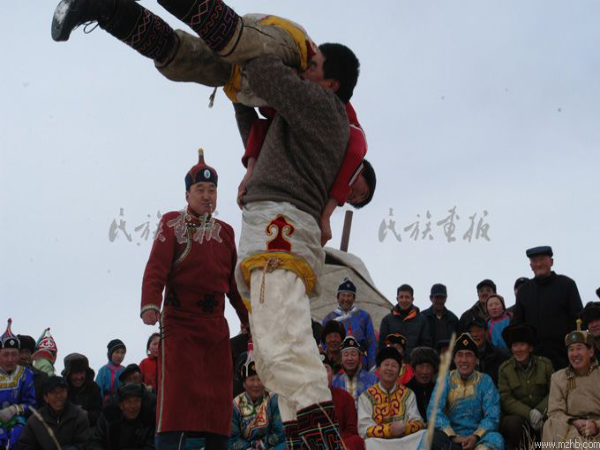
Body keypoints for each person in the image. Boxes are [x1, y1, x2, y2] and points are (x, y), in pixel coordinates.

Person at [51, 0, 375, 245]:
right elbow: (353, 156)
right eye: (359, 192)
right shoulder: (340, 125)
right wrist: (327, 213)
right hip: (283, 45)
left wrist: (251, 167)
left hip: (248, 75)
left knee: (178, 58)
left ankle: (105, 9)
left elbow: (257, 129)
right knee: (236, 41)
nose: (351, 196)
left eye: (354, 201)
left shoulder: (302, 148)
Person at [230, 33, 364, 448]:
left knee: (286, 339)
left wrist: (254, 44)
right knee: (270, 355)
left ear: (331, 84)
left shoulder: (327, 111)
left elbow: (264, 72)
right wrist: (236, 94)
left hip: (281, 234)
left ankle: (320, 438)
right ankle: (301, 436)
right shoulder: (294, 114)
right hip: (268, 228)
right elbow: (258, 126)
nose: (306, 67)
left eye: (313, 64)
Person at [140, 150, 249, 448]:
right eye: (200, 190)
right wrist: (150, 303)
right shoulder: (172, 223)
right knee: (177, 400)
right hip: (180, 326)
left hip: (215, 328)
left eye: (212, 190)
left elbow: (234, 285)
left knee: (217, 400)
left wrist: (248, 319)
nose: (206, 196)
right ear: (187, 194)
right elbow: (156, 268)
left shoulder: (225, 232)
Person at [427, 333, 504, 450]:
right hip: (450, 437)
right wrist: (453, 436)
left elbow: (493, 416)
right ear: (454, 359)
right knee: (430, 436)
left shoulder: (485, 380)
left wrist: (475, 437)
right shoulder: (445, 379)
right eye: (460, 355)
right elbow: (434, 411)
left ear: (476, 360)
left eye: (469, 355)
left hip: (478, 437)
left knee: (496, 439)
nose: (464, 360)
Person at [512, 246, 583, 370]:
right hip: (534, 362)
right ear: (531, 266)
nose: (539, 264)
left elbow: (577, 319)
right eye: (535, 261)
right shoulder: (524, 291)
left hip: (564, 357)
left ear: (551, 262)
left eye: (542, 259)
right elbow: (518, 324)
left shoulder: (567, 284)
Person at [542, 320, 600, 445]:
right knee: (550, 423)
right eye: (571, 350)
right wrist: (575, 422)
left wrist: (596, 426)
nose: (575, 354)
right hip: (571, 427)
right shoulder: (558, 377)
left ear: (590, 352)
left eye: (579, 348)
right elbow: (554, 412)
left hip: (597, 428)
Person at [358, 346, 426, 450]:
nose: (389, 368)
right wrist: (389, 430)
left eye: (394, 365)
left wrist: (405, 427)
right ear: (378, 369)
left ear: (399, 371)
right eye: (386, 364)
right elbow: (364, 429)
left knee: (425, 434)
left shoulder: (408, 394)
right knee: (368, 443)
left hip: (405, 441)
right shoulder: (366, 396)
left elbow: (418, 422)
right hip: (380, 444)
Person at [497, 324, 553, 449]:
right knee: (513, 424)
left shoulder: (545, 365)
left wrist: (540, 411)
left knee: (555, 421)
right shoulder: (504, 369)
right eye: (515, 345)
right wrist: (530, 413)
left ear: (530, 347)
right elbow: (505, 399)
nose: (518, 349)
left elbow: (554, 392)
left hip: (543, 415)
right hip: (520, 418)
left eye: (522, 344)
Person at [18, 376, 90, 449]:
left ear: (67, 393)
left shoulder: (79, 416)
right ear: (46, 398)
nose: (58, 396)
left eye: (62, 391)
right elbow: (24, 445)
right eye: (53, 392)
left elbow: (84, 444)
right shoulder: (35, 420)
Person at [229, 358, 285, 450]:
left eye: (259, 379)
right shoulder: (235, 405)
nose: (256, 384)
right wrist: (249, 448)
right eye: (252, 380)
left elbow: (279, 433)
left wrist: (261, 445)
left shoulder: (273, 399)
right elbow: (233, 438)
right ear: (244, 384)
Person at [322, 278, 378, 370]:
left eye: (349, 296)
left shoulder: (364, 316)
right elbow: (324, 344)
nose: (346, 299)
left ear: (354, 298)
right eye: (343, 295)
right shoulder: (328, 318)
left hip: (360, 363)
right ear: (338, 297)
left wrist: (372, 367)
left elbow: (371, 343)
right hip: (336, 365)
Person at [0, 319, 36, 449]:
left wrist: (14, 409)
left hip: (19, 422)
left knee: (18, 437)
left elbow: (32, 404)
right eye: (5, 355)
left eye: (14, 354)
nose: (10, 359)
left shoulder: (26, 375)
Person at [88, 383, 156, 449]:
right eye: (129, 402)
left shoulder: (148, 419)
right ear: (121, 405)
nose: (133, 406)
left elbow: (151, 446)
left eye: (137, 401)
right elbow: (95, 442)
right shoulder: (108, 417)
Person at [321, 353, 365, 450]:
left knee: (355, 440)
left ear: (332, 373)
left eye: (326, 369)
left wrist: (335, 442)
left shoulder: (345, 397)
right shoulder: (304, 399)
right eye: (318, 369)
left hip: (340, 442)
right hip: (314, 443)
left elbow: (351, 429)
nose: (322, 374)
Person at [378, 284, 431, 358]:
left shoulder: (422, 320)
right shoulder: (387, 320)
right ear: (397, 299)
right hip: (393, 361)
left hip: (414, 362)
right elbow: (381, 344)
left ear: (412, 299)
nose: (404, 300)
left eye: (407, 297)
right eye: (401, 297)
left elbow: (425, 344)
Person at [332, 337, 379, 407]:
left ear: (360, 358)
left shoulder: (372, 380)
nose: (350, 358)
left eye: (353, 354)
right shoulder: (334, 382)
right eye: (346, 355)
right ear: (341, 359)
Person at [62, 353, 103, 427]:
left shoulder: (94, 388)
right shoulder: (61, 389)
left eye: (81, 372)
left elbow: (99, 413)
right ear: (68, 374)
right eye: (75, 373)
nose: (79, 377)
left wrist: (86, 414)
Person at [466, 317, 509, 385]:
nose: (474, 335)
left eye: (478, 330)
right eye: (471, 331)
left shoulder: (500, 356)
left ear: (486, 332)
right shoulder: (460, 357)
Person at [421, 283, 459, 350]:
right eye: (437, 297)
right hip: (428, 355)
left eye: (442, 298)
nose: (439, 301)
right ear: (431, 298)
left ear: (446, 298)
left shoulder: (453, 319)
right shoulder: (422, 317)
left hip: (448, 355)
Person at [406, 347, 439, 421]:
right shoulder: (405, 391)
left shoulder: (439, 391)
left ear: (434, 370)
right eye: (421, 366)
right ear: (413, 369)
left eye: (428, 366)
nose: (424, 372)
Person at [17, 335, 48, 407]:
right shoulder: (4, 375)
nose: (24, 356)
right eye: (20, 352)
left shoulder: (42, 378)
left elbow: (46, 405)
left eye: (27, 352)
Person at [96, 339, 126, 404]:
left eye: (122, 352)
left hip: (123, 404)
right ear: (110, 354)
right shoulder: (103, 370)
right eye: (117, 352)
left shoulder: (125, 370)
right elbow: (98, 391)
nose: (120, 356)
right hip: (106, 404)